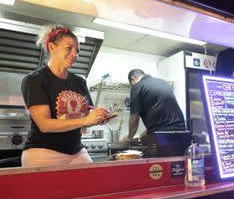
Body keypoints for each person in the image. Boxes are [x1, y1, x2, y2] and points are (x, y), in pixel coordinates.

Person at [21, 24, 110, 168]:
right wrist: (86, 120)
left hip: (76, 151)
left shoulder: (79, 81)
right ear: (52, 47)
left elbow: (88, 113)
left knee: (92, 186)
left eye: (77, 51)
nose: (75, 54)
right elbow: (44, 124)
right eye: (69, 48)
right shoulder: (36, 80)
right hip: (43, 153)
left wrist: (99, 117)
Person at [124, 69, 186, 142]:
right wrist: (147, 132)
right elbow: (162, 115)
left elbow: (134, 118)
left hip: (162, 137)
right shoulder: (163, 82)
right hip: (182, 132)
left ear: (133, 79)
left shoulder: (137, 86)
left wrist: (129, 137)